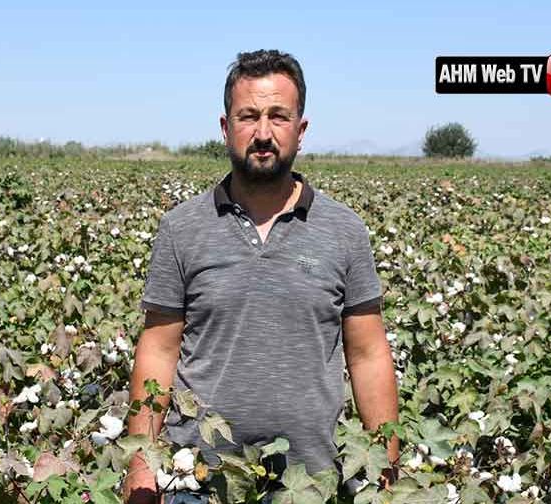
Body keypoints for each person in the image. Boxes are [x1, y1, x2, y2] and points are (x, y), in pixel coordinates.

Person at [123, 49, 399, 504]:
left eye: (279, 116)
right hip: (197, 481)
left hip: (312, 484)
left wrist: (385, 474)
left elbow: (369, 355)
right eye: (248, 116)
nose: (263, 133)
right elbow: (158, 349)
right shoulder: (182, 228)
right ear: (225, 127)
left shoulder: (344, 230)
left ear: (301, 129)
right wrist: (141, 466)